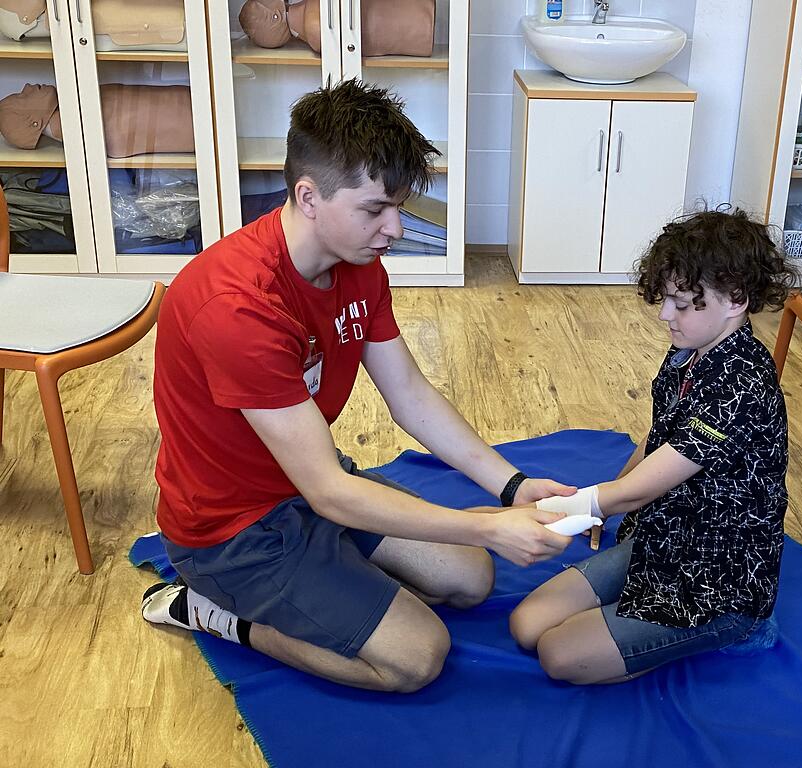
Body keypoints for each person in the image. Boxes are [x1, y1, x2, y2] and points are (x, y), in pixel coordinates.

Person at [141, 80, 574, 693]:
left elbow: (410, 396)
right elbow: (331, 493)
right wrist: (488, 526)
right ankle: (211, 611)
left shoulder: (358, 264)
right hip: (233, 532)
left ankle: (337, 581)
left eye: (398, 206)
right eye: (375, 209)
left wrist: (513, 486)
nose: (395, 228)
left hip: (306, 487)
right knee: (417, 657)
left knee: (471, 579)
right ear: (308, 196)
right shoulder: (237, 307)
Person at [509, 207, 800, 684]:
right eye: (666, 299)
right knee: (526, 624)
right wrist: (604, 508)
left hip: (716, 577)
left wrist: (572, 507)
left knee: (559, 655)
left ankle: (738, 627)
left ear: (735, 299)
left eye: (682, 304)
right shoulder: (689, 350)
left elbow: (640, 490)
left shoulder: (742, 381)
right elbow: (660, 436)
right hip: (663, 538)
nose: (666, 315)